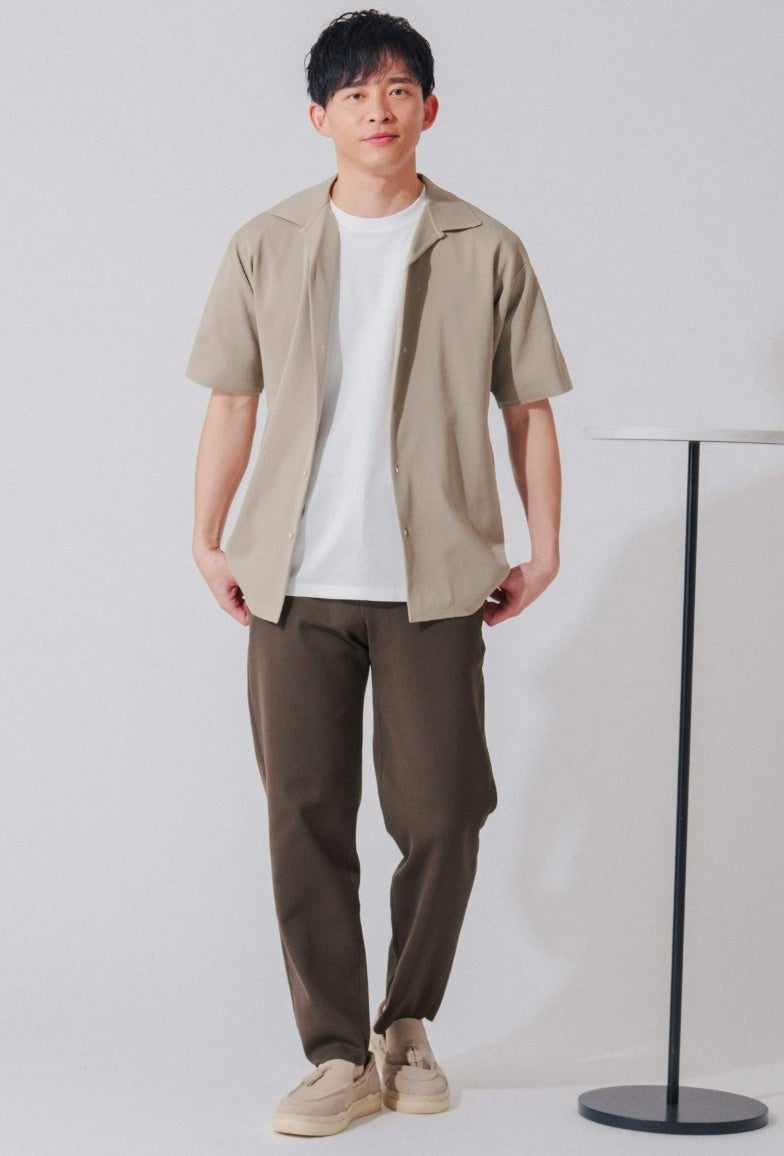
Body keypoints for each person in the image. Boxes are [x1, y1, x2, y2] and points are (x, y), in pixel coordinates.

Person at [185, 8, 573, 1138]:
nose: (378, 110)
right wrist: (208, 536)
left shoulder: (486, 247)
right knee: (303, 816)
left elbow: (529, 409)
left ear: (429, 109)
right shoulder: (264, 242)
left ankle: (405, 1023)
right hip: (293, 580)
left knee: (445, 811)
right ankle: (334, 1053)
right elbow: (232, 400)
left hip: (436, 579)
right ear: (320, 116)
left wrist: (545, 544)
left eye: (399, 89)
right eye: (354, 93)